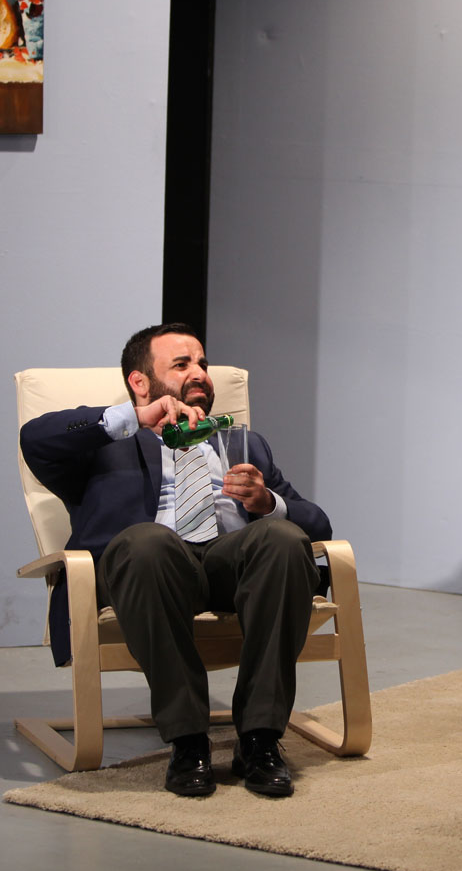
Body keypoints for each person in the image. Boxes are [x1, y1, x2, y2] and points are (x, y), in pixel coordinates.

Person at [20, 322, 330, 796]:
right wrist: (131, 418)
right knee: (147, 542)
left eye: (202, 363)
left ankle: (260, 739)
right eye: (181, 365)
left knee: (283, 539)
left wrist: (268, 503)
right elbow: (35, 439)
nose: (200, 373)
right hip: (149, 571)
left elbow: (318, 525)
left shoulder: (244, 443)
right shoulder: (105, 445)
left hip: (232, 566)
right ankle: (188, 742)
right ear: (140, 382)